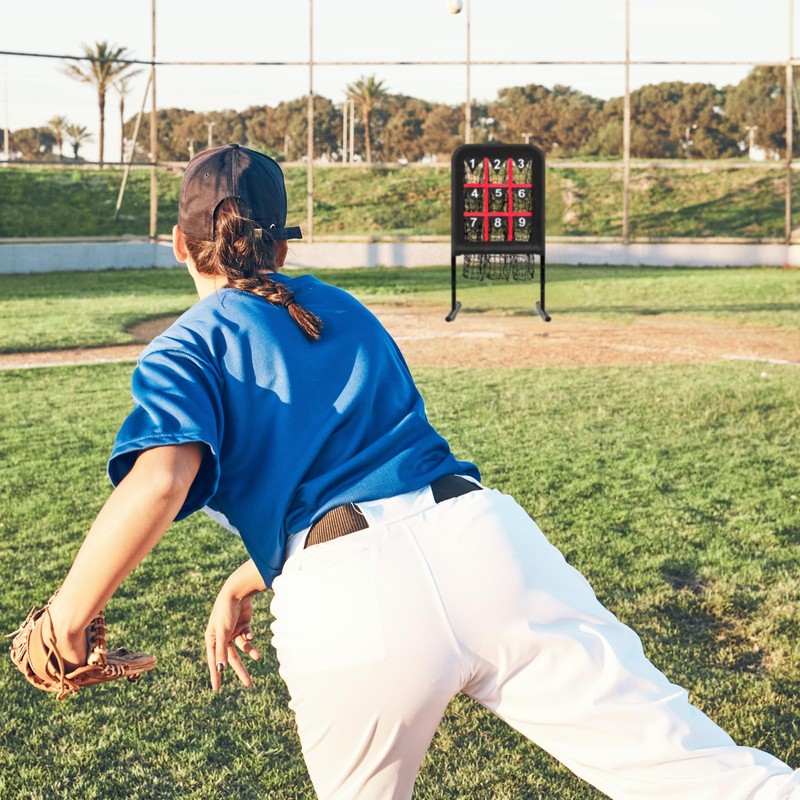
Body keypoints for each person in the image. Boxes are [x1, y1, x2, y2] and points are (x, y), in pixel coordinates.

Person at [35, 143, 798, 799]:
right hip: (488, 542)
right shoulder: (341, 308)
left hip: (349, 602)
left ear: (177, 244)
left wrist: (67, 625)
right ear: (285, 247)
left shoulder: (185, 344)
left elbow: (163, 480)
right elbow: (382, 491)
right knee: (699, 771)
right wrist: (247, 576)